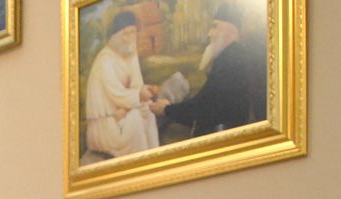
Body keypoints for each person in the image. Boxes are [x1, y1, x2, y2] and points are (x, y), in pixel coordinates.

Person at [153, 2, 266, 136]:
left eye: (215, 26)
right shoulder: (232, 55)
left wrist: (166, 109)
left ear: (230, 30)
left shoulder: (231, 59)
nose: (209, 34)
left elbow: (205, 108)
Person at [85, 11, 161, 159]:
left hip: (123, 111)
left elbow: (137, 86)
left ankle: (155, 156)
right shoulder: (105, 60)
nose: (129, 38)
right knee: (135, 119)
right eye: (125, 33)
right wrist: (138, 96)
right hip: (106, 123)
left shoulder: (130, 53)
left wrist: (145, 91)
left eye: (133, 32)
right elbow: (116, 95)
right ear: (116, 35)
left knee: (147, 111)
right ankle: (142, 161)